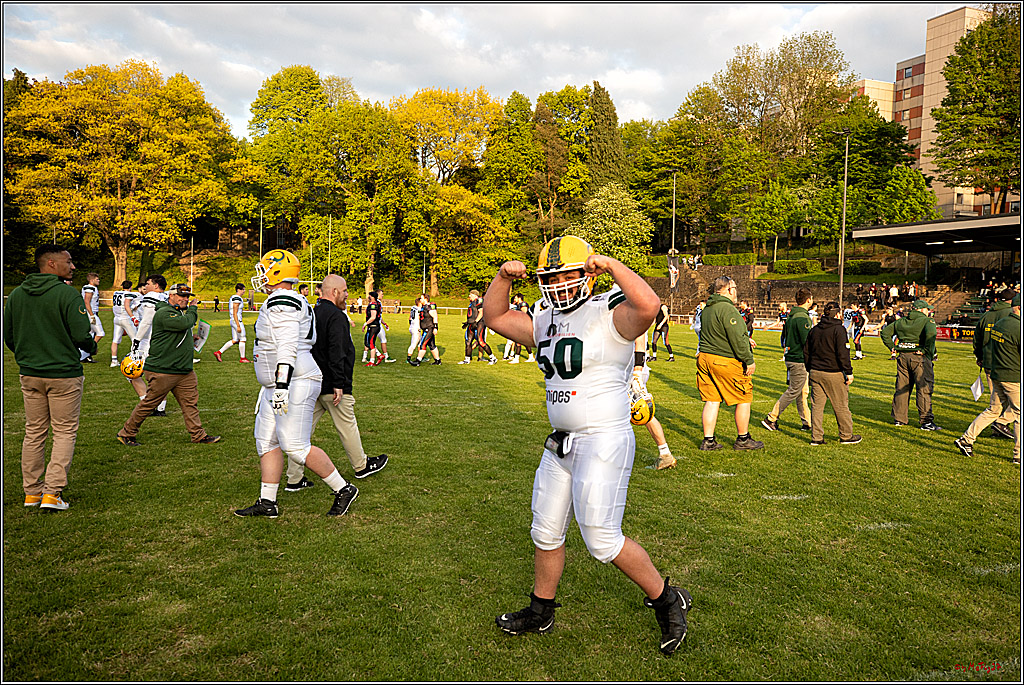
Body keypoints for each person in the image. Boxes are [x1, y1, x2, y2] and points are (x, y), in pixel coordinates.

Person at [482, 235, 692, 656]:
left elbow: (649, 305)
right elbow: (495, 317)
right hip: (560, 442)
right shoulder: (543, 319)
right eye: (551, 276)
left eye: (566, 274)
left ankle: (668, 598)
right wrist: (503, 276)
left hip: (603, 437)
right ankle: (542, 609)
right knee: (544, 530)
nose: (558, 283)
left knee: (601, 539)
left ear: (587, 275)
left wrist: (613, 264)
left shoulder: (609, 311)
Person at [234, 250, 359, 519]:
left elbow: (288, 345)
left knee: (295, 445)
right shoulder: (283, 299)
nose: (261, 274)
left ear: (277, 271)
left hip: (293, 380)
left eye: (265, 268)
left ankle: (344, 489)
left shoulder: (282, 300)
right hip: (278, 381)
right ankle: (268, 502)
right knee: (266, 441)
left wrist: (281, 385)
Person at [4, 244, 97, 511]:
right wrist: (91, 347)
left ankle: (31, 493)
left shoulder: (17, 295)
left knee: (33, 432)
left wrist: (28, 356)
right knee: (64, 432)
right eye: (69, 261)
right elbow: (82, 334)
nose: (73, 266)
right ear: (52, 264)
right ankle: (52, 493)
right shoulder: (67, 295)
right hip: (63, 374)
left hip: (30, 373)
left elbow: (8, 335)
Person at [283, 274, 389, 491]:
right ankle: (361, 466)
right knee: (347, 425)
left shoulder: (312, 313)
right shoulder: (336, 316)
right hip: (332, 384)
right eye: (345, 290)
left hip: (310, 382)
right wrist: (339, 383)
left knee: (301, 434)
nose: (348, 294)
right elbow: (337, 352)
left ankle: (294, 478)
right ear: (334, 292)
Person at [116, 284, 221, 446]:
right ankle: (126, 432)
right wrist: (193, 309)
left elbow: (178, 330)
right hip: (163, 369)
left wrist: (190, 338)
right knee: (149, 403)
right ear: (170, 296)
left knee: (190, 404)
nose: (186, 299)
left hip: (182, 369)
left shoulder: (175, 312)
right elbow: (184, 323)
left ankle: (198, 435)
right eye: (182, 296)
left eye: (187, 296)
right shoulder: (165, 312)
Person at [697, 277, 764, 451]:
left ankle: (708, 440)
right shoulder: (728, 309)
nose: (736, 291)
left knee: (712, 400)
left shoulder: (708, 309)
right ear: (727, 289)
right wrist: (748, 360)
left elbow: (718, 333)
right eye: (734, 287)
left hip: (705, 358)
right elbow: (735, 338)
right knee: (744, 397)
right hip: (724, 360)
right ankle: (743, 439)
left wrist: (745, 339)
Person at [957, 294, 1019, 464]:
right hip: (1013, 375)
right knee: (1019, 414)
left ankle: (966, 439)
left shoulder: (999, 324)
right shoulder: (1018, 327)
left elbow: (982, 342)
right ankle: (1018, 454)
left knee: (993, 410)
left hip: (996, 372)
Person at [803, 302, 860, 446]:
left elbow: (806, 352)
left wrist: (810, 368)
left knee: (817, 406)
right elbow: (843, 354)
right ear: (837, 314)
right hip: (832, 372)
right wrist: (849, 372)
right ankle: (846, 435)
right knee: (840, 405)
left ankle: (816, 437)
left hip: (815, 372)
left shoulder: (815, 329)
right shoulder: (838, 330)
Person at [881, 299, 941, 431]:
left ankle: (899, 418)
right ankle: (926, 421)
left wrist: (893, 347)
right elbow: (932, 334)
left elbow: (885, 332)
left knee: (902, 388)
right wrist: (927, 351)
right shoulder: (927, 321)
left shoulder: (901, 321)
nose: (928, 311)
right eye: (927, 309)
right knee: (923, 388)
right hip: (919, 357)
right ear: (921, 310)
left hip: (903, 357)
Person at [761, 288, 813, 433]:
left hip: (791, 356)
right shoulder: (802, 318)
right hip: (799, 359)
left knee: (802, 392)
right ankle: (771, 418)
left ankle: (807, 422)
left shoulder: (791, 315)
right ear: (809, 300)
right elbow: (807, 342)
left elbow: (784, 336)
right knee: (794, 390)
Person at [631, 336, 676, 470]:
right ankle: (665, 454)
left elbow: (639, 340)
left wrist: (637, 373)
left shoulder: (632, 315)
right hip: (629, 369)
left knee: (638, 410)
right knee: (641, 412)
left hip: (630, 371)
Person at [129, 274, 171, 417]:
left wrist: (136, 340)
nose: (145, 286)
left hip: (148, 341)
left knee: (131, 371)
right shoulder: (166, 297)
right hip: (163, 340)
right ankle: (160, 408)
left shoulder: (151, 296)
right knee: (159, 375)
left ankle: (148, 404)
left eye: (148, 283)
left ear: (156, 286)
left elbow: (146, 321)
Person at [214, 283, 251, 363]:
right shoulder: (237, 298)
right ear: (238, 290)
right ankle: (243, 358)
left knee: (235, 340)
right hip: (236, 320)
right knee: (243, 339)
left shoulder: (234, 297)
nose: (244, 291)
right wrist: (238, 325)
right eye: (243, 289)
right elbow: (235, 312)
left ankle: (219, 352)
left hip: (233, 320)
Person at [459, 289, 497, 365]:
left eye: (471, 295)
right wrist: (467, 322)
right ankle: (467, 359)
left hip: (479, 323)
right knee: (468, 341)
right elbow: (472, 314)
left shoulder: (478, 300)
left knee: (481, 341)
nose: (469, 296)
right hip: (471, 324)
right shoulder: (471, 303)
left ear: (474, 295)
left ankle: (493, 358)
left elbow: (481, 312)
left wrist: (476, 321)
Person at [110, 279, 140, 367]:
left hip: (116, 318)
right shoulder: (129, 294)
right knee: (135, 339)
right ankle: (136, 359)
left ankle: (114, 360)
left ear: (122, 287)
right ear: (130, 287)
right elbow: (127, 306)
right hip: (125, 318)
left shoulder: (116, 293)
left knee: (115, 340)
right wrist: (133, 317)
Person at [409, 293, 442, 366]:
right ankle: (438, 360)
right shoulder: (423, 307)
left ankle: (418, 361)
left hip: (429, 328)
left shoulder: (429, 307)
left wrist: (436, 328)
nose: (420, 300)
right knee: (432, 345)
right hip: (425, 328)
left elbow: (435, 317)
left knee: (422, 344)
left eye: (421, 298)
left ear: (425, 299)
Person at [79, 272, 104, 363]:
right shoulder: (90, 288)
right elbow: (86, 302)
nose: (99, 281)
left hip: (90, 313)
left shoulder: (92, 288)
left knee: (90, 334)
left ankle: (84, 355)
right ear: (92, 280)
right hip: (90, 313)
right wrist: (92, 315)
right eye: (97, 279)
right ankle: (90, 349)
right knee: (100, 333)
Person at [361, 290, 383, 366]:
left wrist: (365, 323)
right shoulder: (375, 303)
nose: (368, 297)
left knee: (371, 343)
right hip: (373, 326)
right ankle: (379, 355)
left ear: (372, 297)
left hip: (374, 326)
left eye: (369, 296)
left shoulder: (373, 305)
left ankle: (372, 361)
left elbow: (373, 317)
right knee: (368, 342)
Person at [407, 295, 423, 363]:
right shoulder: (419, 309)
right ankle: (408, 358)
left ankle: (420, 356)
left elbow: (410, 318)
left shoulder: (413, 307)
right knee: (413, 344)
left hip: (412, 326)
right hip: (416, 328)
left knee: (421, 343)